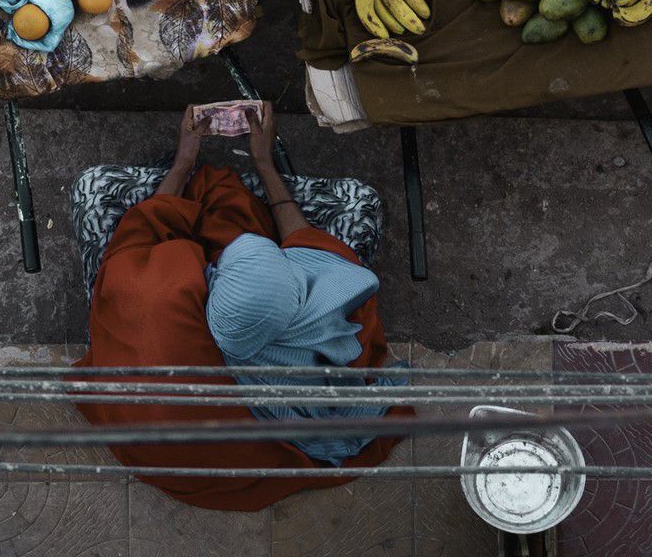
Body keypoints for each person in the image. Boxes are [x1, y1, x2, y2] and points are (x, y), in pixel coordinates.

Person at [73, 102, 408, 511]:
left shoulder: (144, 291)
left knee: (95, 195)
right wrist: (265, 167)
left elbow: (145, 226)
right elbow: (305, 240)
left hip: (156, 444)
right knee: (358, 207)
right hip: (192, 449)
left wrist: (183, 162)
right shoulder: (317, 350)